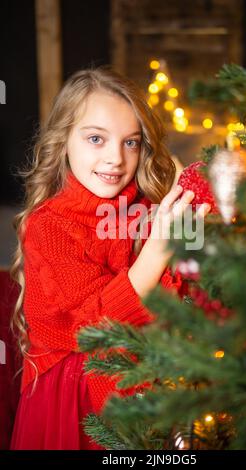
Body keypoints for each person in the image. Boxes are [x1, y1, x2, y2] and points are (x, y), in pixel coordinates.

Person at [9, 66, 211, 450]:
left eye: (131, 142)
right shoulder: (47, 226)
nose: (116, 158)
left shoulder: (147, 209)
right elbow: (96, 327)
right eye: (96, 139)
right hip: (75, 397)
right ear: (63, 140)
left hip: (149, 379)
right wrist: (156, 251)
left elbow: (183, 290)